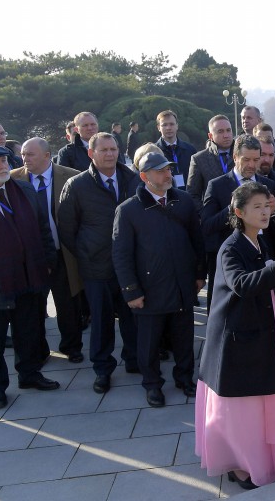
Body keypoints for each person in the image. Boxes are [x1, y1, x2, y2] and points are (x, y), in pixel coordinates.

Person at [196, 182, 275, 489]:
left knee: (263, 399)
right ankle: (240, 463)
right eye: (256, 207)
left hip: (260, 327)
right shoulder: (230, 248)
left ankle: (263, 455)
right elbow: (242, 284)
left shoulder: (259, 241)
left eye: (266, 205)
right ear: (239, 212)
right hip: (236, 337)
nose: (264, 211)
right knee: (240, 408)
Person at [112, 152, 205, 407]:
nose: (167, 175)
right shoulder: (128, 210)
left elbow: (197, 241)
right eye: (160, 170)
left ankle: (185, 378)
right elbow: (121, 255)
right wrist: (131, 291)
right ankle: (152, 384)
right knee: (149, 342)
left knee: (184, 338)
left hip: (182, 285)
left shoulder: (183, 201)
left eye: (168, 169)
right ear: (144, 177)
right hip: (150, 290)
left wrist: (199, 274)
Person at [0, 145, 58, 409]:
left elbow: (43, 230)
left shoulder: (24, 190)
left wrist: (46, 264)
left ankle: (30, 374)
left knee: (29, 331)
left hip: (28, 276)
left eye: (3, 160)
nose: (2, 166)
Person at [58, 132, 140, 394]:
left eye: (113, 149)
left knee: (132, 316)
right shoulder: (77, 185)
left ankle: (134, 359)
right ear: (91, 154)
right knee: (102, 320)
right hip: (96, 266)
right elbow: (67, 229)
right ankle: (102, 369)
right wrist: (86, 251)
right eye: (103, 150)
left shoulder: (132, 178)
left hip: (129, 264)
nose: (110, 154)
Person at [11, 137, 84, 363]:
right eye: (23, 154)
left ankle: (71, 347)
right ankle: (38, 351)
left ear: (46, 155)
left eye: (30, 154)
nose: (24, 159)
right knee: (34, 307)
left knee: (68, 304)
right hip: (31, 256)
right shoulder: (13, 179)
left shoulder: (71, 176)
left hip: (63, 252)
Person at [202, 134, 275, 309]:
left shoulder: (268, 185)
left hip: (264, 256)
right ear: (235, 157)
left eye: (256, 159)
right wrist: (233, 208)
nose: (252, 165)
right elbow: (207, 225)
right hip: (235, 258)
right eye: (246, 159)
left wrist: (274, 211)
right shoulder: (217, 185)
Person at [187, 114, 235, 209]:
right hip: (213, 218)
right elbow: (192, 194)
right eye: (220, 132)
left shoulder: (243, 155)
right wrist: (205, 215)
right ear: (210, 136)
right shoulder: (199, 159)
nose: (226, 135)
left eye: (228, 130)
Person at [155, 110, 197, 190]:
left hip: (188, 195)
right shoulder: (154, 152)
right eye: (164, 125)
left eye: (171, 124)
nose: (168, 128)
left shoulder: (190, 150)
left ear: (177, 126)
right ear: (158, 128)